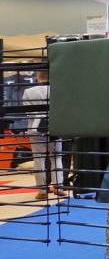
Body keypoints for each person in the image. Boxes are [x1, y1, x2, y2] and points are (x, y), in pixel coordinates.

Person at [20, 69, 63, 198]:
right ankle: (58, 187)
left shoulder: (28, 92)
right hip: (55, 126)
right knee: (56, 157)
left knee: (38, 159)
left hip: (35, 128)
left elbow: (28, 112)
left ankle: (42, 191)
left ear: (38, 77)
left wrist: (40, 118)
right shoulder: (58, 90)